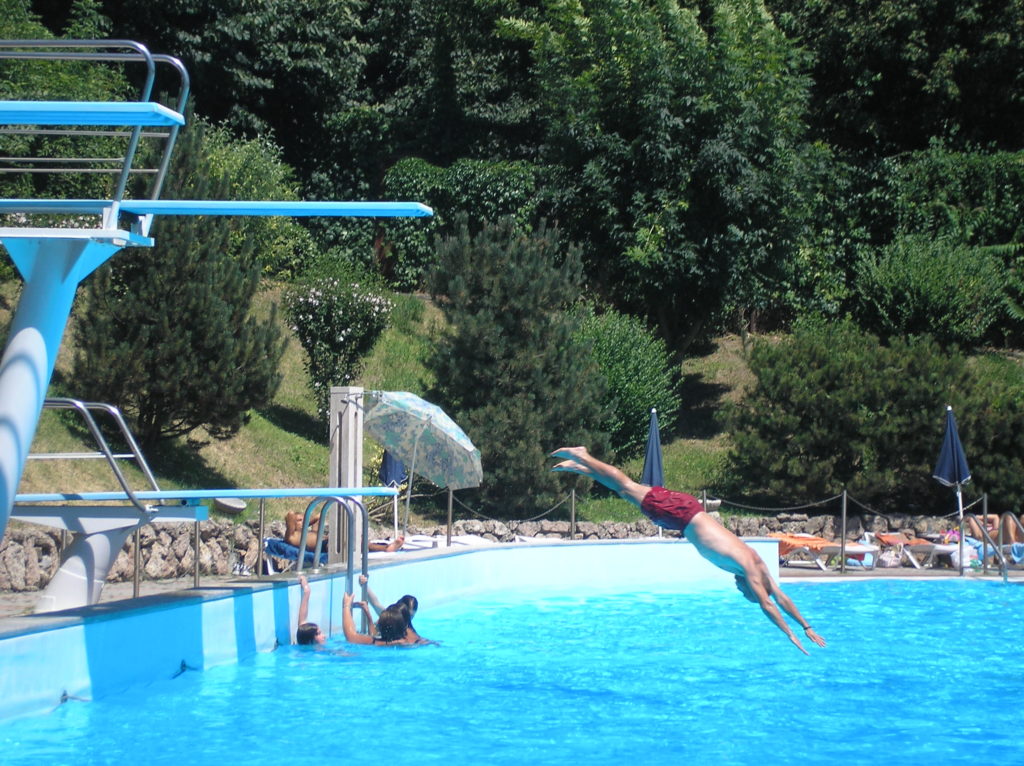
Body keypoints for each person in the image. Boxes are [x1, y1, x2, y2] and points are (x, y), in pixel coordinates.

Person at [550, 446, 826, 654]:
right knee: (627, 486)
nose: (740, 590)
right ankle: (584, 456)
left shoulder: (759, 568)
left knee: (625, 492)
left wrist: (806, 625)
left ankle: (583, 468)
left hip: (684, 514)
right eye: (745, 594)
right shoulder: (750, 570)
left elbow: (780, 597)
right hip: (681, 514)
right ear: (753, 589)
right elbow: (769, 604)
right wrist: (789, 633)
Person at [284, 511, 405, 552]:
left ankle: (385, 547)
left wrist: (310, 521)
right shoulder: (291, 536)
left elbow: (319, 517)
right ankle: (386, 548)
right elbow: (290, 514)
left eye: (304, 519)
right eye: (299, 520)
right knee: (354, 540)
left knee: (355, 538)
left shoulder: (308, 533)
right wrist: (308, 521)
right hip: (325, 547)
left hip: (328, 542)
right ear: (292, 523)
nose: (303, 521)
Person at [359, 573, 426, 643]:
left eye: (411, 616)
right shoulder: (389, 616)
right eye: (407, 615)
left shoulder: (408, 630)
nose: (408, 619)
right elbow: (375, 603)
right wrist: (364, 585)